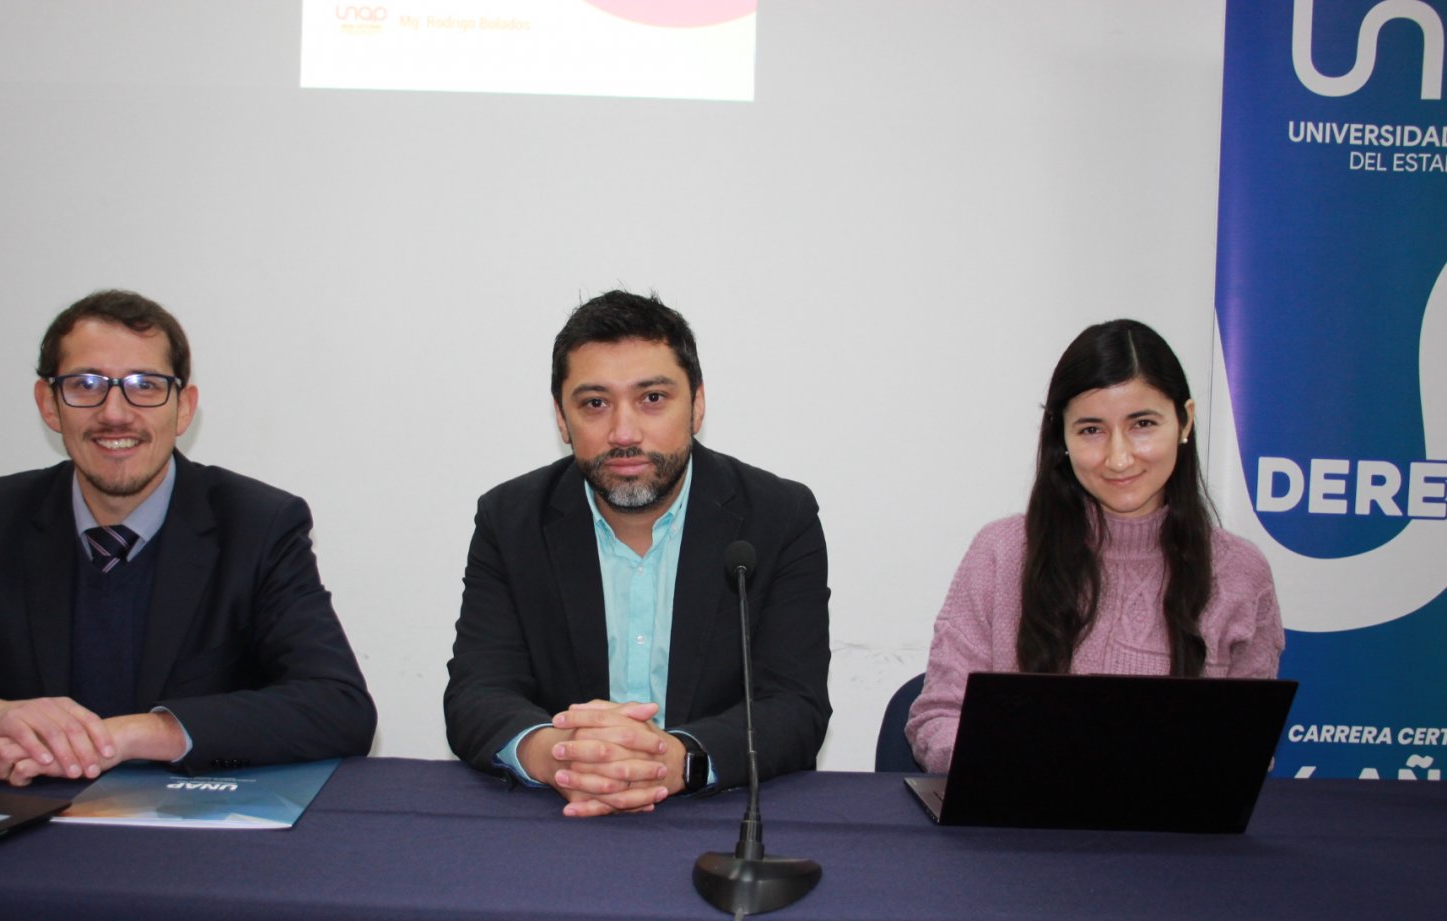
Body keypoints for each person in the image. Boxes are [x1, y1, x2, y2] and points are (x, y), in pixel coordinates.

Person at [0, 289, 375, 785]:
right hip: (26, 808)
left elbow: (339, 707)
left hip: (189, 819)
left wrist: (127, 736)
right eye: (85, 384)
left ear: (184, 409)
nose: (115, 413)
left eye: (145, 385)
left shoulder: (258, 525)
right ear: (49, 405)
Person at [444, 289, 831, 817]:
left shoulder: (778, 516)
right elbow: (477, 691)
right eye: (595, 403)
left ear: (697, 405)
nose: (623, 433)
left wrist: (679, 760)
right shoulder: (510, 520)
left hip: (719, 817)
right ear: (561, 419)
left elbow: (795, 704)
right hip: (560, 816)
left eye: (652, 398)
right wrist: (557, 756)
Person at [906, 318, 1284, 773]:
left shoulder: (1242, 572)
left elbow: (1247, 746)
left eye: (1143, 424)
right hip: (1021, 813)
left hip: (1172, 819)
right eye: (1091, 430)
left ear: (1185, 421)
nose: (1119, 457)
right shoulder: (1001, 553)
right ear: (1060, 437)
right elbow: (939, 718)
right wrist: (1019, 772)